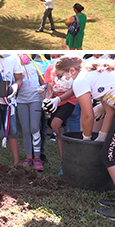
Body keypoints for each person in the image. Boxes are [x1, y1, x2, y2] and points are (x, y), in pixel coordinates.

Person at [54, 56, 115, 221]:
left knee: (109, 157)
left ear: (72, 70)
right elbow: (109, 112)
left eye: (61, 75)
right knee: (109, 153)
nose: (60, 80)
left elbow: (87, 116)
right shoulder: (93, 75)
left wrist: (86, 138)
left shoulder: (80, 80)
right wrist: (101, 137)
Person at [42, 55, 79, 175]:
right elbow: (49, 88)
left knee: (55, 124)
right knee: (58, 130)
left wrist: (58, 99)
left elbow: (73, 89)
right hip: (54, 102)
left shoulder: (74, 72)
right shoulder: (49, 69)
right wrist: (46, 100)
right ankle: (64, 163)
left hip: (69, 101)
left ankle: (73, 158)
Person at [16, 54, 45, 172]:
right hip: (21, 100)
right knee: (25, 129)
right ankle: (28, 157)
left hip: (35, 99)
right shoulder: (16, 67)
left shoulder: (37, 66)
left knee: (34, 128)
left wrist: (43, 87)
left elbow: (44, 82)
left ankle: (37, 157)